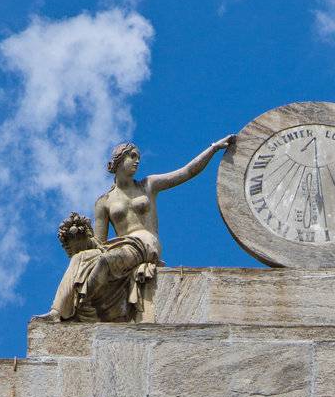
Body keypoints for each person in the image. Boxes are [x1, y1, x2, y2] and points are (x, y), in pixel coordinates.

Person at [90, 136, 235, 317]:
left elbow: (187, 172)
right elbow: (98, 245)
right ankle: (82, 306)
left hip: (146, 243)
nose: (137, 161)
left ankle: (89, 305)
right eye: (133, 156)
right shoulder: (103, 202)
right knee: (92, 262)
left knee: (104, 262)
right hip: (122, 249)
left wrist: (213, 149)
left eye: (138, 157)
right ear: (119, 159)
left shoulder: (148, 185)